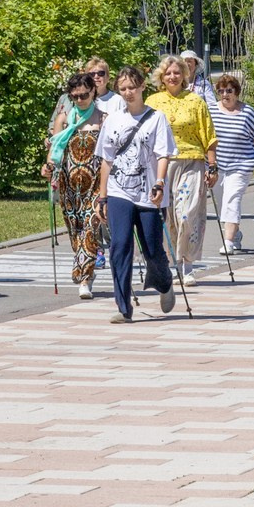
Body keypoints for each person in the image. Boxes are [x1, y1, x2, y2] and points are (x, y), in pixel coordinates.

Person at [96, 65, 176, 322]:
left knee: (152, 249)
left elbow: (163, 154)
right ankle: (123, 307)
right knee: (119, 245)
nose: (128, 92)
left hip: (149, 192)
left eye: (132, 87)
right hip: (119, 191)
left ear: (142, 86)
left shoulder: (157, 118)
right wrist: (102, 196)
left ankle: (164, 282)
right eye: (123, 89)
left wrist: (160, 183)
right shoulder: (113, 120)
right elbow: (106, 160)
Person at [146, 57, 217, 283]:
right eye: (168, 73)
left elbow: (209, 136)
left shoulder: (195, 101)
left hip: (191, 162)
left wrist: (212, 166)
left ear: (184, 75)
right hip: (162, 165)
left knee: (186, 214)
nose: (172, 77)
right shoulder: (153, 102)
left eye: (177, 72)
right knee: (168, 218)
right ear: (161, 76)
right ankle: (172, 261)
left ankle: (187, 263)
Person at [45, 68, 108, 297]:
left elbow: (109, 154)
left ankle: (83, 278)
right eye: (75, 96)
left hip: (95, 185)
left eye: (84, 95)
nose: (80, 100)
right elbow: (54, 150)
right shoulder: (64, 119)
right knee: (75, 232)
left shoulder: (102, 119)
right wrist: (48, 167)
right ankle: (86, 269)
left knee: (90, 229)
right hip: (69, 186)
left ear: (93, 92)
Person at [208, 73, 254, 253]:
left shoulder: (247, 112)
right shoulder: (211, 110)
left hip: (241, 165)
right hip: (218, 165)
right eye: (221, 91)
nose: (225, 94)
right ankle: (235, 234)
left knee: (232, 199)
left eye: (229, 91)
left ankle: (228, 242)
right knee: (221, 203)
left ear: (236, 92)